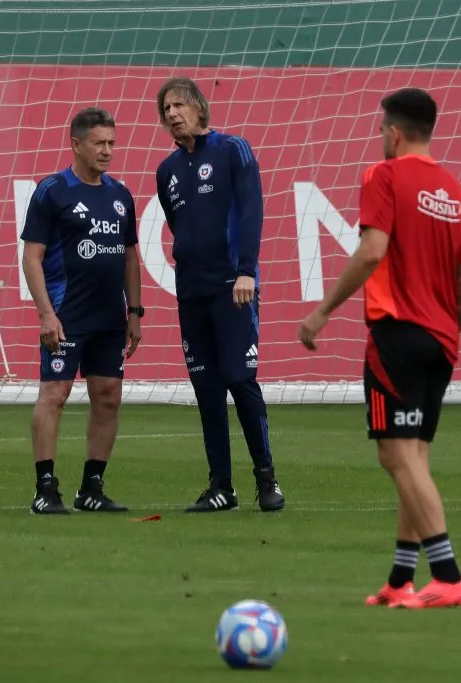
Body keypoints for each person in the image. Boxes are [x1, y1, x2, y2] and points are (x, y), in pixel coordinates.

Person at [299, 87, 461, 609]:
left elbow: (372, 250)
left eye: (381, 131)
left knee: (396, 456)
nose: (380, 139)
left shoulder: (386, 175)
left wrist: (324, 309)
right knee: (413, 458)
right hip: (443, 338)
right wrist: (450, 330)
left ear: (395, 133)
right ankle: (401, 578)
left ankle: (447, 576)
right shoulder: (454, 191)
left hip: (397, 332)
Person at [154, 77, 284, 513]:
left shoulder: (233, 150)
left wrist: (245, 271)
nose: (172, 113)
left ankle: (267, 479)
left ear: (199, 107)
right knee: (206, 388)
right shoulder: (166, 171)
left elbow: (251, 211)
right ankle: (220, 486)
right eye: (166, 109)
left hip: (234, 290)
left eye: (179, 105)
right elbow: (179, 226)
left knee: (239, 378)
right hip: (191, 293)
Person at [20, 107, 142, 515]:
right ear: (76, 144)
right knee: (55, 392)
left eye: (111, 143)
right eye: (99, 143)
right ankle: (45, 488)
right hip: (66, 316)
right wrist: (45, 314)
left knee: (107, 397)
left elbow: (129, 259)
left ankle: (92, 487)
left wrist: (135, 313)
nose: (107, 151)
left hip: (109, 319)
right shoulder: (52, 191)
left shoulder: (120, 196)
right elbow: (31, 258)